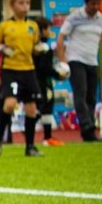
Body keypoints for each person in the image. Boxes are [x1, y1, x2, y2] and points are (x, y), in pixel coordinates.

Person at [0, 0, 42, 157]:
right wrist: (2, 48)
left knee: (31, 108)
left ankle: (30, 146)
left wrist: (39, 49)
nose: (25, 6)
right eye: (21, 3)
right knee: (10, 104)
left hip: (29, 70)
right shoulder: (5, 26)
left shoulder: (33, 26)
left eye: (27, 3)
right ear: (12, 6)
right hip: (11, 70)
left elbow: (35, 46)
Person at [55, 0, 102, 142]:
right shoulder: (74, 17)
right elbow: (61, 38)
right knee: (81, 92)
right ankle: (86, 125)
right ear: (86, 3)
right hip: (76, 59)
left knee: (91, 96)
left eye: (98, 3)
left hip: (92, 61)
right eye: (93, 3)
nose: (95, 6)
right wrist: (63, 61)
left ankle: (89, 131)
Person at [34, 17, 65, 147]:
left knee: (44, 107)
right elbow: (45, 68)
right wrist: (58, 74)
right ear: (42, 30)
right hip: (43, 82)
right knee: (45, 106)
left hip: (35, 80)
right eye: (48, 29)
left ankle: (47, 137)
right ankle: (45, 136)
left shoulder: (34, 46)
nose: (49, 31)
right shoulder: (44, 47)